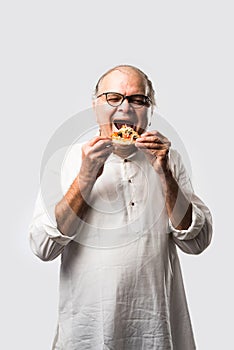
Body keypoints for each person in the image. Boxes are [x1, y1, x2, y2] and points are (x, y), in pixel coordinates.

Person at [29, 64, 212, 350]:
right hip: (86, 334)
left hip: (158, 332)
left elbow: (197, 242)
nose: (125, 109)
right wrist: (86, 177)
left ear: (150, 111)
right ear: (95, 107)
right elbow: (43, 247)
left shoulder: (170, 159)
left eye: (138, 100)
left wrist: (164, 174)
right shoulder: (66, 161)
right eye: (113, 98)